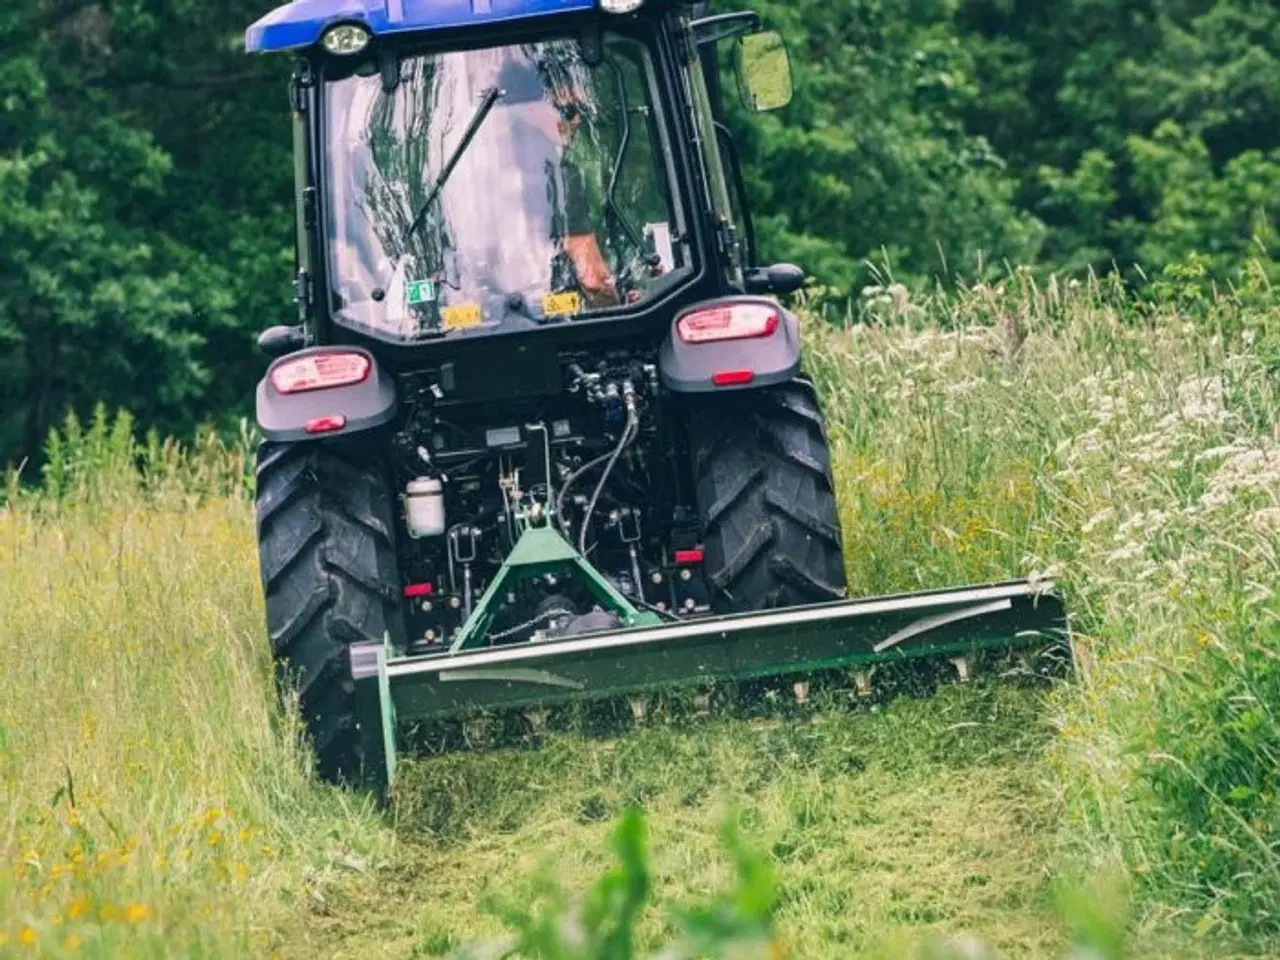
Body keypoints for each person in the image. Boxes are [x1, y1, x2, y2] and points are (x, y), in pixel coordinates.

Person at [496, 55, 621, 309]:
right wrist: (620, 300)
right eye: (567, 111)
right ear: (529, 108)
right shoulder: (557, 178)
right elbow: (591, 277)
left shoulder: (489, 170)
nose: (576, 121)